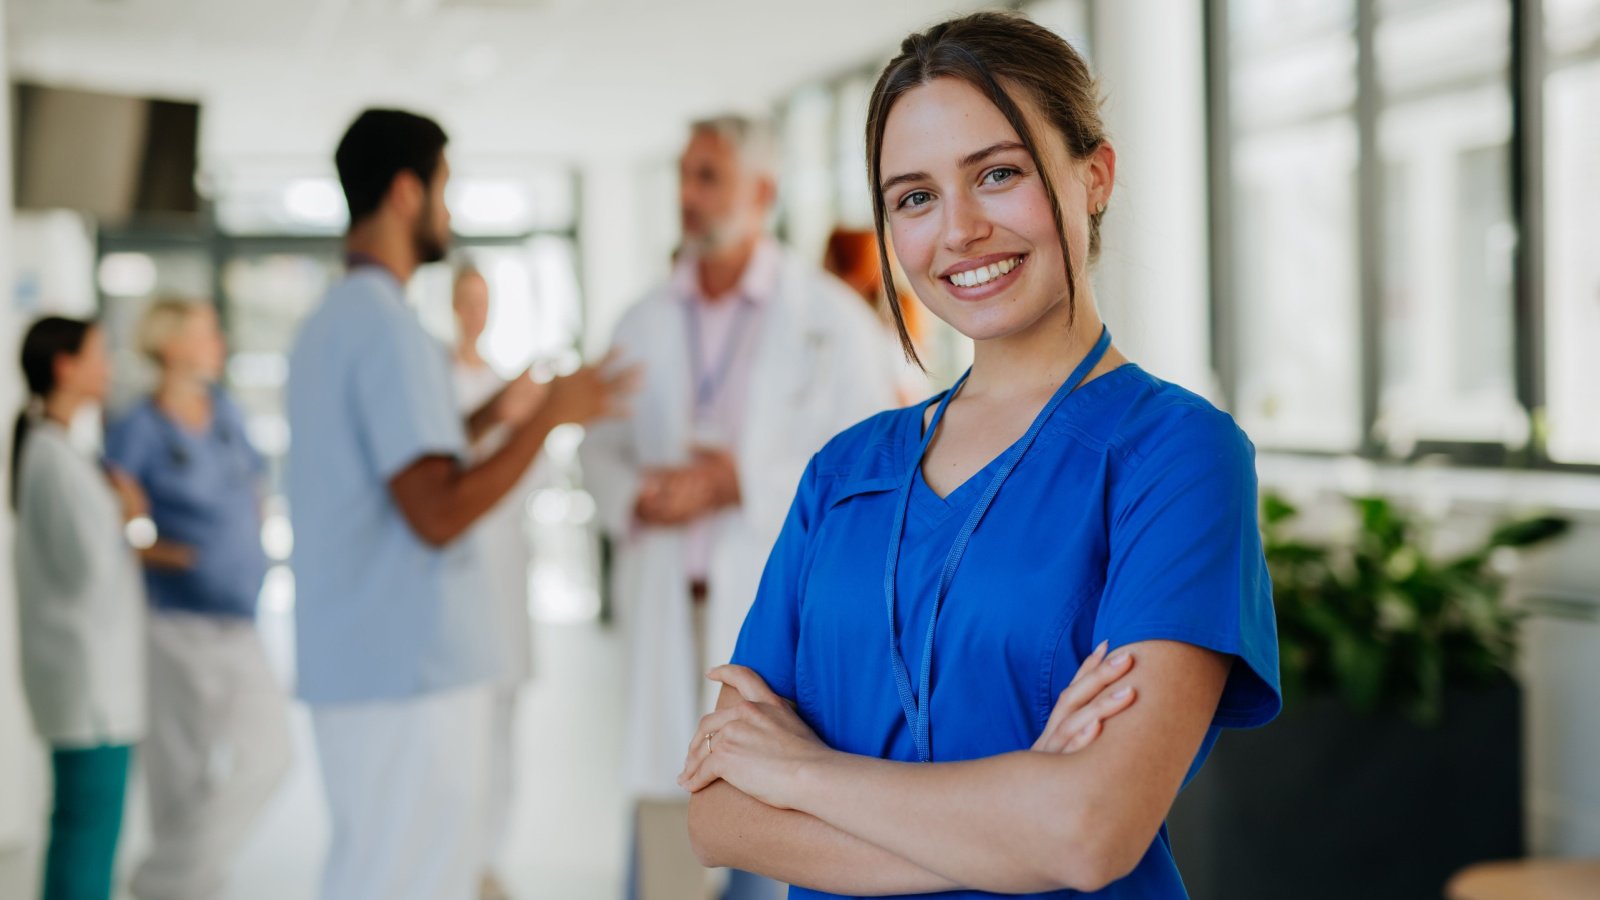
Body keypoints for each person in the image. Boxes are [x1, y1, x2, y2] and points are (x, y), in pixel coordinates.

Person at [680, 12, 1281, 899]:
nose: (959, 231)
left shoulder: (1177, 455)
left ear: (1095, 175)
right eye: (914, 197)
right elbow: (720, 815)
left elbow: (1088, 833)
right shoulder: (843, 474)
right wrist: (1017, 813)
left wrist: (801, 776)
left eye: (997, 174)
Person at [286, 108, 634, 900]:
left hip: (365, 662)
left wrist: (489, 418)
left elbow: (389, 466)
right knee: (408, 879)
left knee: (377, 869)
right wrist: (550, 416)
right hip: (407, 673)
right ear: (407, 193)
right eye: (445, 188)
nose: (450, 211)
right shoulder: (389, 331)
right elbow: (435, 510)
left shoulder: (333, 323)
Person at [579, 115, 899, 900]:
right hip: (669, 602)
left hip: (772, 614)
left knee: (768, 829)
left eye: (708, 176)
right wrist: (642, 495)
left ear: (763, 191)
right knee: (664, 835)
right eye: (685, 176)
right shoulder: (641, 320)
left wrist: (737, 482)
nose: (688, 195)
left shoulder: (831, 322)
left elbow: (877, 467)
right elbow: (598, 447)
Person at [103, 299, 293, 900]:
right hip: (176, 621)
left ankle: (163, 879)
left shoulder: (225, 413)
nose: (219, 342)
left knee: (272, 756)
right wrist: (171, 552)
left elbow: (254, 485)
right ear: (175, 344)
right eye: (207, 333)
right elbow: (117, 518)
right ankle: (189, 886)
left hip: (239, 618)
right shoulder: (139, 428)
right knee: (179, 777)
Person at [12, 316, 147, 900]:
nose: (109, 367)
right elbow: (90, 569)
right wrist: (132, 517)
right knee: (88, 841)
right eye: (98, 355)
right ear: (65, 367)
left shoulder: (58, 450)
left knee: (79, 835)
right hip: (91, 688)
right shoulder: (54, 459)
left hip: (89, 682)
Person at [449, 263, 541, 900]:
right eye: (466, 300)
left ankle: (488, 856)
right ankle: (459, 851)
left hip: (505, 563)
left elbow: (528, 475)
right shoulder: (439, 382)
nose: (474, 311)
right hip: (457, 567)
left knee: (504, 714)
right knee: (462, 717)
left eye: (484, 301)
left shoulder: (510, 387)